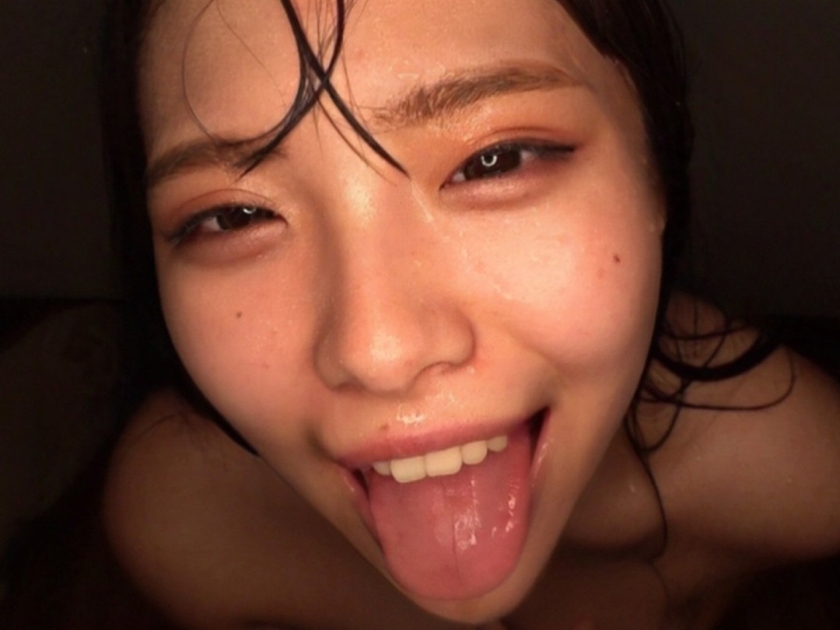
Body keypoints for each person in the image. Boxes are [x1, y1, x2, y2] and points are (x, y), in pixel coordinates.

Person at [98, 0, 840, 628]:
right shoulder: (186, 524)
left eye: (496, 160)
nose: (379, 351)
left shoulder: (803, 474)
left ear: (656, 174)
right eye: (235, 217)